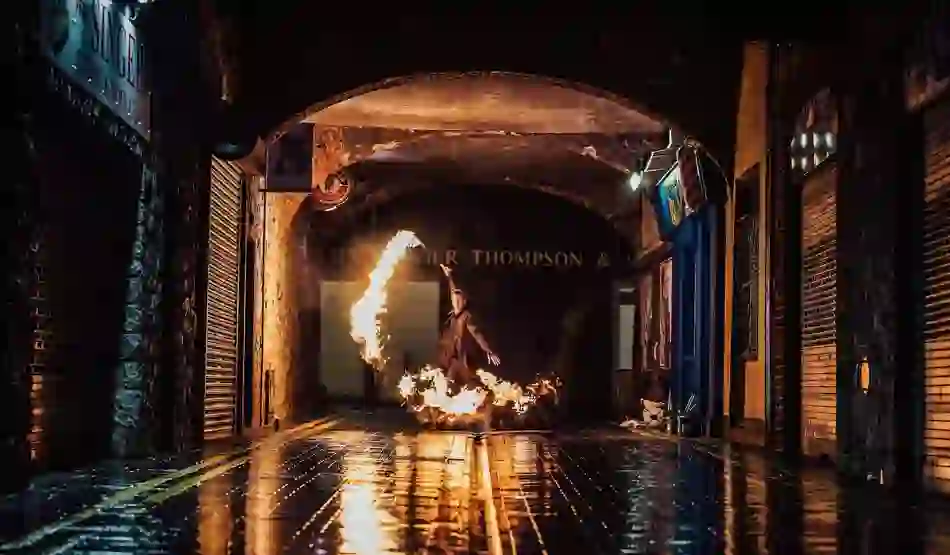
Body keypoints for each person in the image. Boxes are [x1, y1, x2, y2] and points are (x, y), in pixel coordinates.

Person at [437, 264, 500, 389]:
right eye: (455, 300)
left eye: (459, 300)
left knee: (467, 383)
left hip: (462, 359)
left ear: (464, 302)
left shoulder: (466, 316)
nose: (456, 302)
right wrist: (449, 277)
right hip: (452, 357)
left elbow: (476, 333)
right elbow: (453, 292)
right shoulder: (454, 315)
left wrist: (488, 350)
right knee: (447, 383)